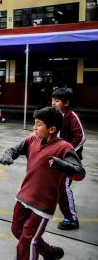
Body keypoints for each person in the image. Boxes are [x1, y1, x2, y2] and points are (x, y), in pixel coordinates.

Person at [0, 107, 85, 260]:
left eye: (38, 124)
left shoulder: (64, 147)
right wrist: (8, 155)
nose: (34, 127)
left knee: (29, 241)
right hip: (23, 197)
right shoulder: (32, 140)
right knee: (17, 230)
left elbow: (79, 173)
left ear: (52, 129)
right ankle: (49, 253)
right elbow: (14, 150)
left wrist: (62, 165)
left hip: (42, 204)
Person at [51, 88, 86, 230]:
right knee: (58, 185)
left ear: (66, 103)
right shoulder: (54, 114)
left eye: (57, 101)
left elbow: (81, 137)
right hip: (57, 157)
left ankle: (71, 219)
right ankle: (61, 204)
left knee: (64, 186)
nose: (53, 103)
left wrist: (67, 151)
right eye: (52, 100)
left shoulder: (72, 117)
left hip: (68, 159)